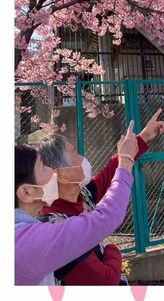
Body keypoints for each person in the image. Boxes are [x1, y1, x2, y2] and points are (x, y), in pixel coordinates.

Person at [35, 109, 164, 285]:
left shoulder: (82, 195)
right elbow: (105, 281)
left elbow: (109, 171)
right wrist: (112, 250)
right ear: (62, 176)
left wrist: (144, 137)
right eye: (74, 153)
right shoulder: (56, 229)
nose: (82, 157)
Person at [15, 121, 138, 285]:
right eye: (43, 168)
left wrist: (139, 142)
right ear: (26, 192)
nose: (53, 172)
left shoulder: (83, 195)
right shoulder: (32, 239)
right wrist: (126, 160)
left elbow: (106, 176)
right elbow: (107, 217)